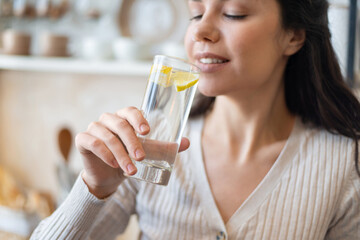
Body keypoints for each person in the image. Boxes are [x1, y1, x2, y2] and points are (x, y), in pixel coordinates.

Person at [31, 0, 360, 239]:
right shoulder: (145, 145)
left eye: (234, 13)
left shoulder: (343, 163)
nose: (200, 30)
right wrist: (93, 189)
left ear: (294, 35)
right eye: (196, 13)